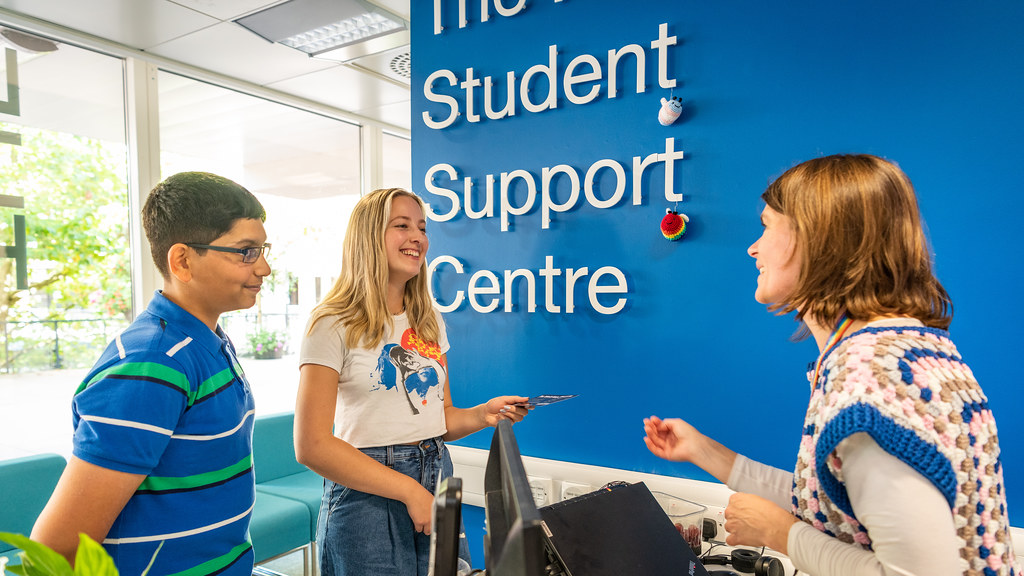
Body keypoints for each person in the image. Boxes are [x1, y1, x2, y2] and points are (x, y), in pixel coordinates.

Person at [644, 154, 1020, 575]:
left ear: (816, 239)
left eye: (767, 225)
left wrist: (781, 534)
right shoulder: (909, 351)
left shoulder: (870, 385)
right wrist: (703, 451)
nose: (754, 247)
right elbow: (835, 506)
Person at [32, 172, 271, 575]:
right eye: (246, 252)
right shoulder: (151, 363)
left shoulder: (205, 341)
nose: (264, 267)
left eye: (262, 249)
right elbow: (56, 548)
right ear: (182, 261)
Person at [294, 187, 531, 576]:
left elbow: (440, 419)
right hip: (367, 493)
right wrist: (409, 491)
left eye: (421, 227)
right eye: (401, 225)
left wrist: (483, 414)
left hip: (436, 470)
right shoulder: (331, 322)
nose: (418, 237)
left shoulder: (427, 319)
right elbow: (311, 446)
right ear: (368, 237)